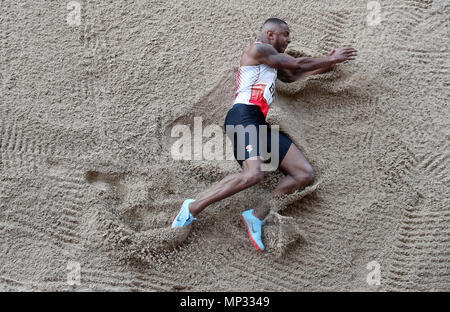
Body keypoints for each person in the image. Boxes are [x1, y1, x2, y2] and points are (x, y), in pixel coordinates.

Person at [171, 18, 358, 251]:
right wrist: (331, 58)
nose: (289, 40)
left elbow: (293, 75)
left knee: (303, 173)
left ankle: (257, 215)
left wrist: (327, 65)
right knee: (252, 175)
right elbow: (297, 64)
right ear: (270, 35)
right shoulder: (258, 49)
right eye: (285, 34)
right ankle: (192, 207)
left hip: (258, 122)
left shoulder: (270, 64)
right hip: (242, 116)